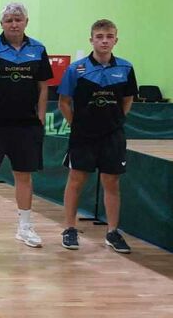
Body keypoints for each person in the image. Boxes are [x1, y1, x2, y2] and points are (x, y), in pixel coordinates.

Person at [0, 2, 53, 248]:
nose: (14, 24)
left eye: (18, 19)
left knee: (23, 176)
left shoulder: (38, 49)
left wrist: (40, 117)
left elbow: (43, 87)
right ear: (2, 24)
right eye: (9, 20)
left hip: (26, 124)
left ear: (26, 22)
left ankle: (25, 227)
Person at [58, 19, 137, 253]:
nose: (104, 41)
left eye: (109, 36)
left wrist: (115, 121)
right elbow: (64, 102)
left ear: (116, 40)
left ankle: (112, 232)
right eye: (100, 37)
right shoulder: (76, 69)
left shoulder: (126, 68)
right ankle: (69, 229)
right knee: (76, 180)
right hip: (83, 136)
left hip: (113, 136)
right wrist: (77, 125)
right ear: (91, 40)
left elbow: (128, 100)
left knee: (111, 182)